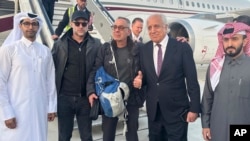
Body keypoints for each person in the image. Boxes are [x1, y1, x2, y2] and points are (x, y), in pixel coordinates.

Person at [136, 14, 200, 141]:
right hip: (154, 112)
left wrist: (194, 108)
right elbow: (146, 77)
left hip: (177, 111)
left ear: (166, 28)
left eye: (157, 26)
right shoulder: (144, 49)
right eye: (149, 27)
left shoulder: (181, 47)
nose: (152, 30)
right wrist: (140, 81)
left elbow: (192, 80)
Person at [0, 12, 57, 141]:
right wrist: (6, 112)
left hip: (39, 109)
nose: (30, 27)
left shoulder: (45, 51)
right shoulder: (9, 50)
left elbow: (50, 80)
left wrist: (51, 106)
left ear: (38, 26)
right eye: (26, 23)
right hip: (16, 110)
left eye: (34, 24)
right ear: (20, 26)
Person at [87, 17, 145, 141]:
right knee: (107, 135)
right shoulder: (106, 49)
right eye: (115, 27)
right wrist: (91, 91)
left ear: (128, 31)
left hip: (131, 98)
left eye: (121, 27)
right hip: (110, 97)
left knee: (132, 135)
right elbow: (95, 70)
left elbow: (146, 70)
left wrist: (141, 79)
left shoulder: (138, 49)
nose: (117, 30)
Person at [52, 10, 102, 141]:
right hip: (64, 98)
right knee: (64, 136)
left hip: (86, 99)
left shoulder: (96, 44)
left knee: (86, 136)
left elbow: (100, 68)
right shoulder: (59, 44)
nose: (80, 26)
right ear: (71, 24)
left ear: (88, 25)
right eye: (77, 23)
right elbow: (50, 70)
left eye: (84, 23)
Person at [201, 22, 250, 141]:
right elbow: (207, 98)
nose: (229, 44)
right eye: (226, 40)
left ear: (244, 41)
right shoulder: (215, 67)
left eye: (234, 39)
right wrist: (206, 125)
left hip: (242, 128)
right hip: (217, 127)